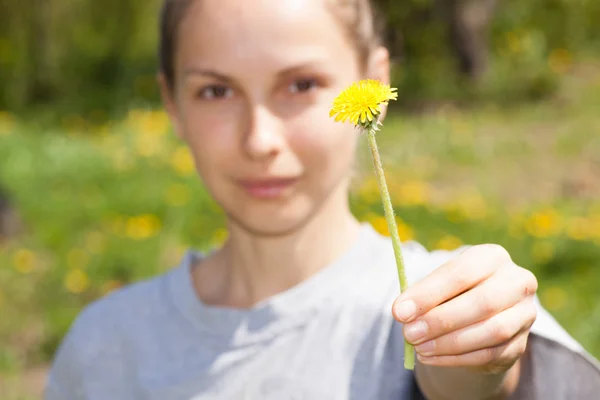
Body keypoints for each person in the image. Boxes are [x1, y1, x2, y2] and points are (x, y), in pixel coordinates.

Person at [44, 0, 600, 399]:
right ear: (172, 106)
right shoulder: (101, 345)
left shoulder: (445, 298)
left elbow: (471, 381)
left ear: (376, 85)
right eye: (216, 90)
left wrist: (479, 363)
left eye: (301, 84)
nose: (260, 140)